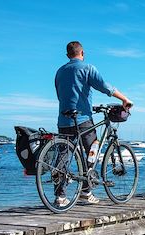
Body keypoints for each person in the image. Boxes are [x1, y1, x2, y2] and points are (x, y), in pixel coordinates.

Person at [54, 41, 132, 207]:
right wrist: (124, 99)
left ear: (68, 55)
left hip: (64, 119)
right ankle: (86, 191)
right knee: (93, 149)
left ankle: (60, 197)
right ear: (82, 53)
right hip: (82, 119)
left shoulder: (60, 71)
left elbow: (60, 94)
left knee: (64, 155)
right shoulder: (87, 68)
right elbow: (104, 86)